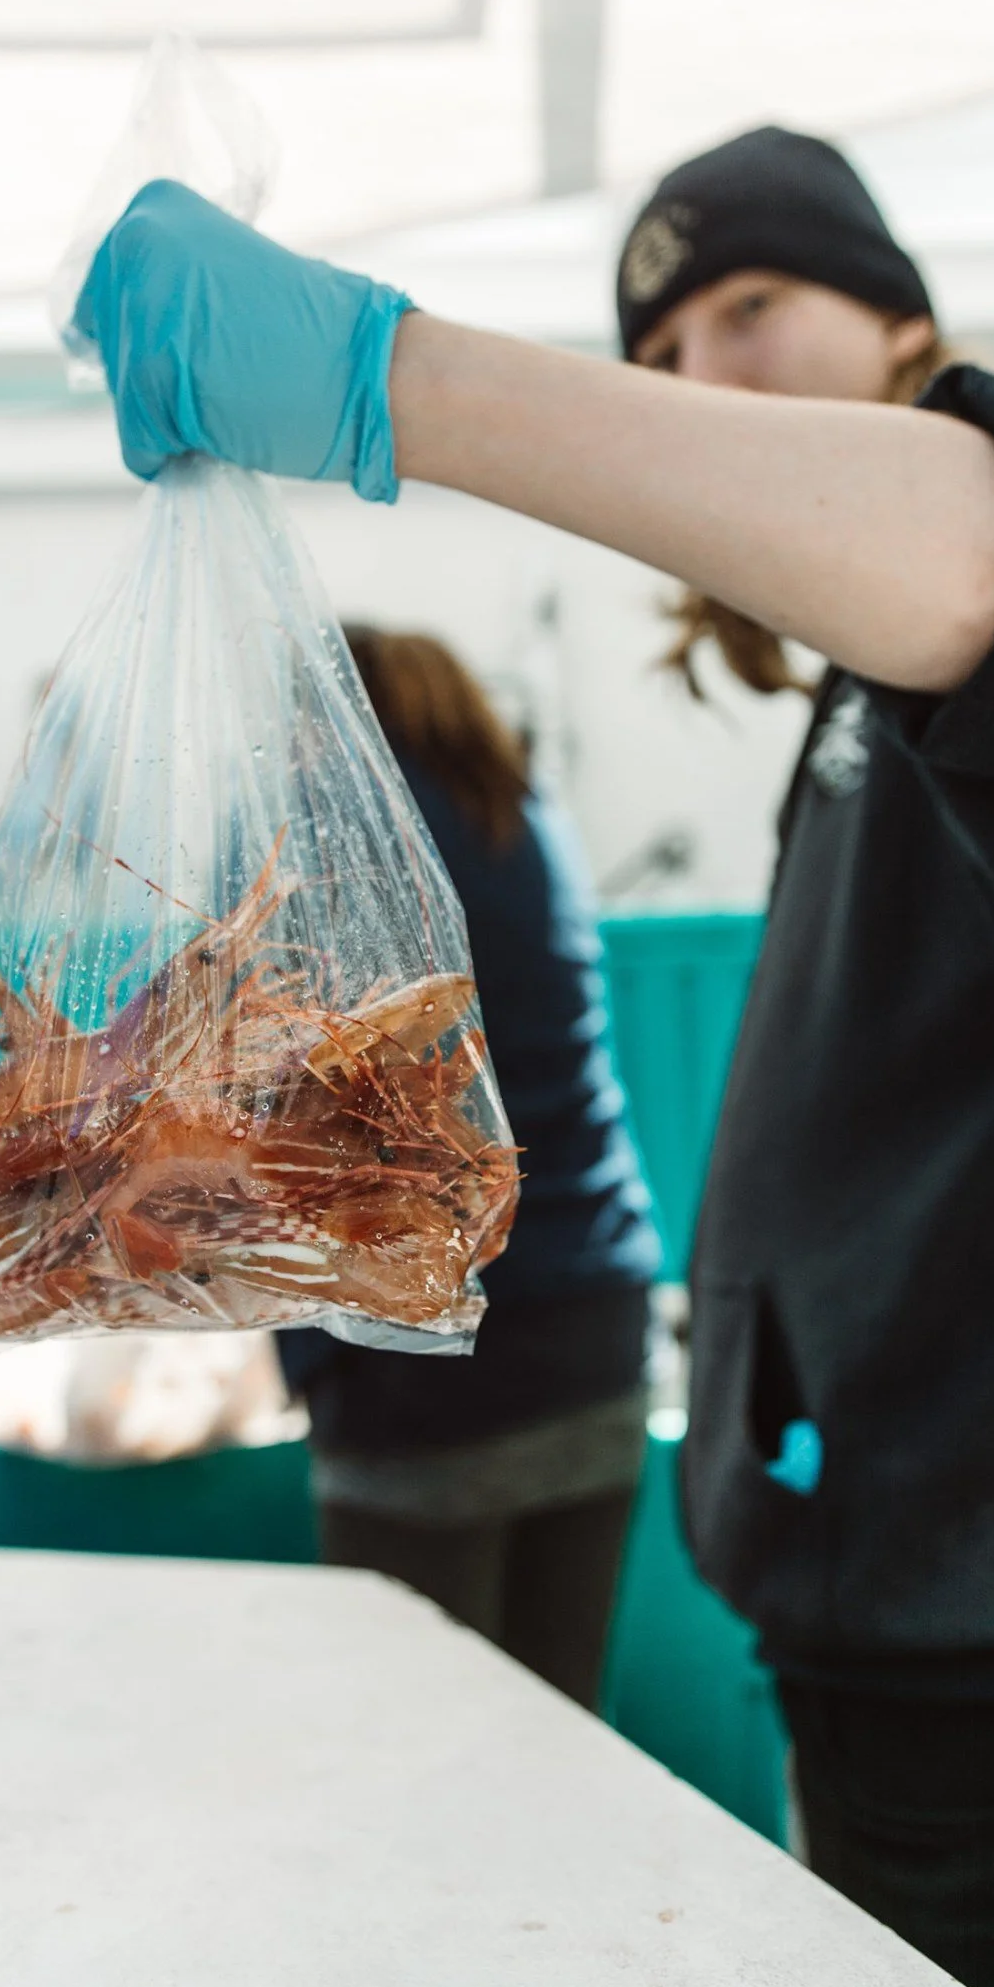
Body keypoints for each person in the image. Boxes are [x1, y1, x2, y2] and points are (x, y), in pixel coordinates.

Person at [75, 124, 994, 1987]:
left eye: (753, 308)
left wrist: (391, 379)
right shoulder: (877, 708)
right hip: (920, 1644)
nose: (704, 372)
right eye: (661, 353)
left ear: (908, 322)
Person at [275, 624, 661, 1712]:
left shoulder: (356, 849)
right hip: (593, 1322)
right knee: (560, 1717)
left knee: (419, 1742)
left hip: (427, 1355)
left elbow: (277, 1102)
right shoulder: (530, 820)